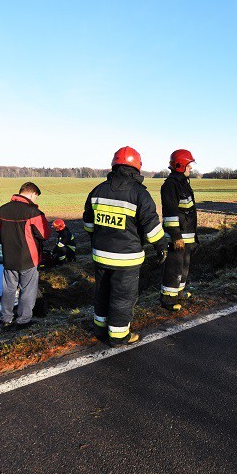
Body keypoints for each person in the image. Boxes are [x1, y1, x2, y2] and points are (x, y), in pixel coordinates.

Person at [83, 146, 168, 346]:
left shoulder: (97, 190)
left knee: (102, 293)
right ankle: (119, 336)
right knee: (122, 298)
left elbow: (88, 224)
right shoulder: (140, 194)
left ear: (114, 165)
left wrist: (98, 239)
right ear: (137, 167)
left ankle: (100, 329)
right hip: (126, 259)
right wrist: (161, 247)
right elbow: (151, 228)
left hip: (100, 256)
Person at [0, 181, 51, 330]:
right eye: (36, 197)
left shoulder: (0, 211)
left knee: (8, 290)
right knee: (27, 290)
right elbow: (44, 234)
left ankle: (6, 319)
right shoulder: (34, 213)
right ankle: (23, 320)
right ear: (32, 194)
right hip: (28, 258)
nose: (35, 200)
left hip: (8, 258)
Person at [160, 149, 198, 311]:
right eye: (189, 165)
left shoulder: (183, 183)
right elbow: (170, 213)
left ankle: (179, 294)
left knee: (183, 267)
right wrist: (176, 236)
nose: (191, 168)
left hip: (187, 236)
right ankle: (168, 299)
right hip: (178, 237)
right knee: (173, 268)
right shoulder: (171, 185)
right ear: (180, 165)